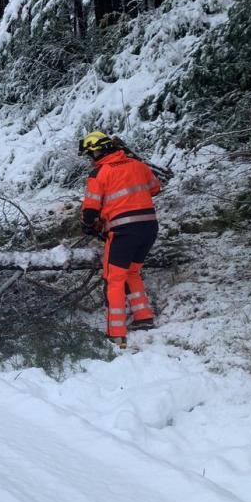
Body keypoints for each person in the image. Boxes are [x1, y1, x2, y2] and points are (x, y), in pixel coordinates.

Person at [78, 131, 162, 348]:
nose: (90, 158)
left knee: (113, 279)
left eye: (90, 154)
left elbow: (90, 211)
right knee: (132, 272)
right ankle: (143, 317)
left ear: (97, 152)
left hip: (123, 232)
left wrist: (89, 225)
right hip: (149, 227)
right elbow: (156, 188)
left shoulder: (99, 173)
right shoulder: (138, 165)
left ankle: (116, 333)